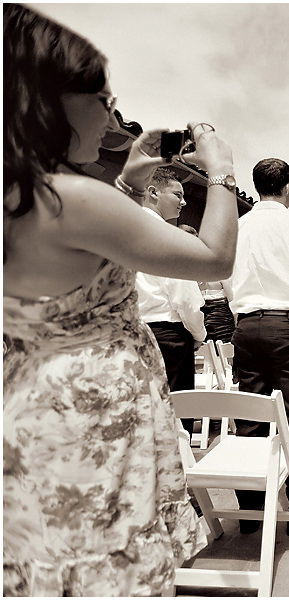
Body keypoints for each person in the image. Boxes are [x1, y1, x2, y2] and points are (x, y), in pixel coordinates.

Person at [3, 4, 237, 594]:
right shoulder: (71, 199)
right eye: (102, 99)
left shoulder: (23, 196)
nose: (112, 111)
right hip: (92, 420)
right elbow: (214, 257)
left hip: (35, 406)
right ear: (50, 100)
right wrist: (222, 173)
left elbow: (89, 247)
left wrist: (131, 178)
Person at [222, 158, 289, 537]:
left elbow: (229, 282)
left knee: (251, 413)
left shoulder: (236, 226)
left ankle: (250, 508)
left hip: (247, 326)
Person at [135, 167, 207, 432]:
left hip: (130, 334)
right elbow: (185, 298)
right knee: (174, 415)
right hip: (167, 338)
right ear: (153, 192)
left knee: (140, 412)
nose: (184, 201)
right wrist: (198, 333)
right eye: (178, 194)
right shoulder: (170, 238)